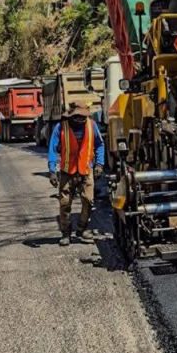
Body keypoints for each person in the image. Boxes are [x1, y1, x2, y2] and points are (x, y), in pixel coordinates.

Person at [47, 101, 105, 246]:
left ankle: (82, 228)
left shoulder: (92, 126)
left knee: (88, 200)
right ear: (71, 116)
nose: (80, 119)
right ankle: (66, 233)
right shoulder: (61, 127)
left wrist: (99, 164)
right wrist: (52, 171)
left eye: (83, 116)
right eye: (77, 116)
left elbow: (99, 145)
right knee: (65, 203)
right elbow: (52, 149)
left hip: (86, 170)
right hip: (67, 172)